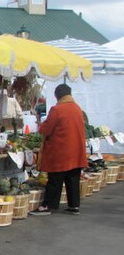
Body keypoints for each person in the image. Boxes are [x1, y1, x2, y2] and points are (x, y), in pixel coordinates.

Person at [30, 84, 87, 216]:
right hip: (76, 150)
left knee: (55, 179)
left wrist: (41, 126)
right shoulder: (77, 108)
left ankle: (48, 205)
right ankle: (74, 205)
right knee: (73, 179)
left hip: (61, 151)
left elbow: (46, 129)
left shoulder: (57, 109)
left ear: (57, 95)